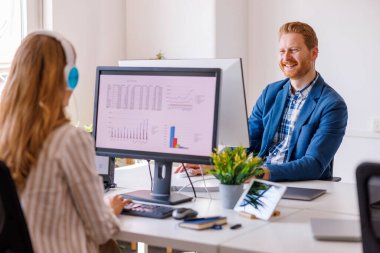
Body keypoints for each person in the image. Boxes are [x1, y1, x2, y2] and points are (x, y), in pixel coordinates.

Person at [0, 31, 130, 253]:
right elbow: (100, 230)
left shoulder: (5, 136)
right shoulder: (70, 141)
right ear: (68, 78)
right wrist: (109, 210)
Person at [176, 21, 348, 182]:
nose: (286, 58)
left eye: (294, 50)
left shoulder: (332, 105)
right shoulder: (270, 93)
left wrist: (255, 173)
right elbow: (246, 141)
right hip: (258, 181)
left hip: (298, 185)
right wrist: (215, 164)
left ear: (314, 53)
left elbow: (313, 165)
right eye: (282, 51)